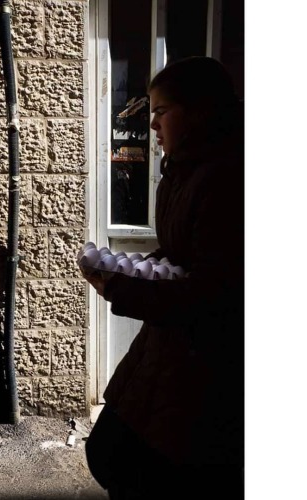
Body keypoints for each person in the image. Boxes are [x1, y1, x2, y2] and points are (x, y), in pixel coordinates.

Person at [82, 57, 244, 499]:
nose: (151, 123)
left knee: (140, 465)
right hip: (169, 349)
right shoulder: (181, 170)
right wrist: (134, 267)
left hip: (205, 363)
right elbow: (180, 253)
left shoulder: (229, 179)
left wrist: (120, 287)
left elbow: (214, 293)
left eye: (161, 110)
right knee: (116, 453)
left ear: (200, 112)